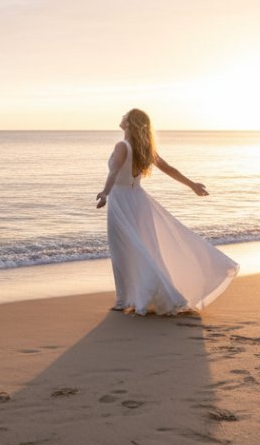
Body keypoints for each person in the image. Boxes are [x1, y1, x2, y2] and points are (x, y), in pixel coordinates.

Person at [95, 108, 240, 315]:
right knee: (142, 248)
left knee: (123, 250)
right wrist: (191, 185)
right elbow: (169, 169)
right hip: (138, 200)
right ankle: (135, 296)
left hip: (121, 200)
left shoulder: (122, 146)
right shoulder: (144, 147)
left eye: (125, 115)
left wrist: (105, 193)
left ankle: (123, 300)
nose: (122, 117)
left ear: (130, 123)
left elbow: (114, 172)